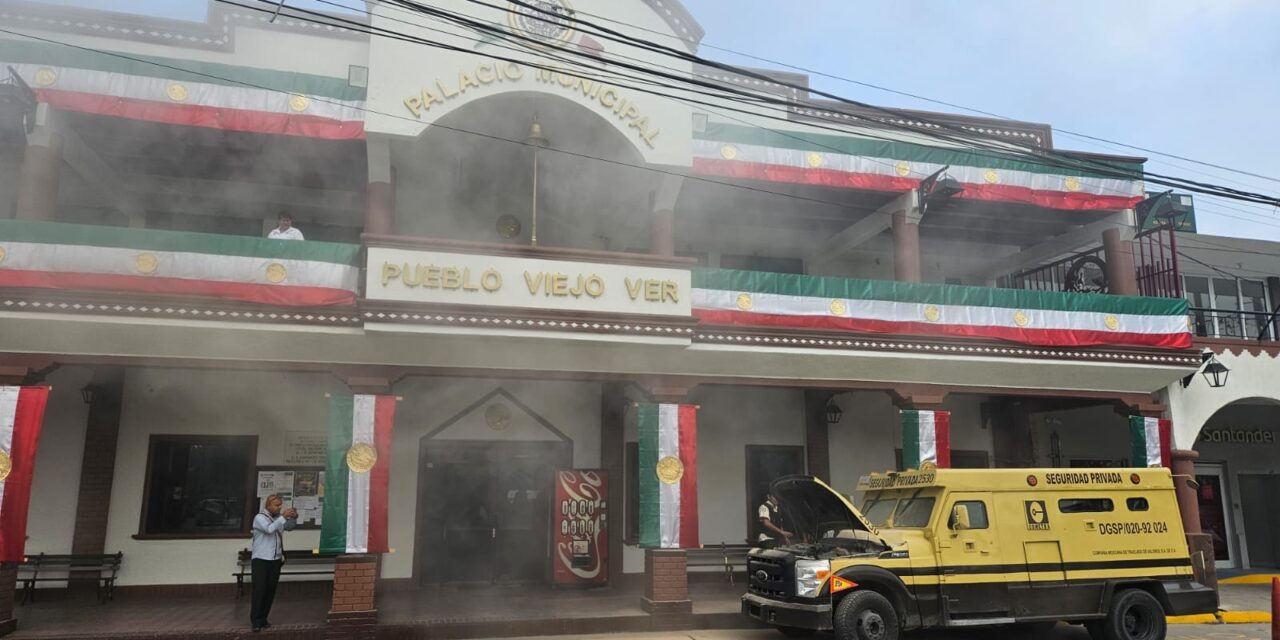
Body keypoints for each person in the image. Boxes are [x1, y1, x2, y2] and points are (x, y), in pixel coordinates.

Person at [250, 494, 297, 632]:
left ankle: (263, 618)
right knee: (260, 590)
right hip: (261, 559)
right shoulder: (260, 518)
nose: (279, 508)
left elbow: (289, 527)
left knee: (270, 590)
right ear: (268, 505)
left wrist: (293, 516)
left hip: (275, 559)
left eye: (280, 505)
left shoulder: (278, 519)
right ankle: (256, 621)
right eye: (276, 505)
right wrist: (283, 516)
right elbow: (269, 529)